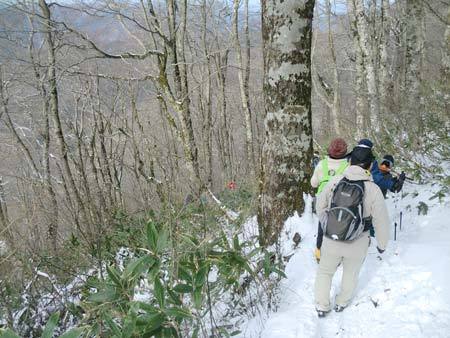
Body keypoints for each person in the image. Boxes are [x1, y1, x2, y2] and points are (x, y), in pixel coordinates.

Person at [314, 145, 390, 317]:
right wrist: (382, 244)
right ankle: (341, 302)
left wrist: (328, 223)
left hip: (331, 239)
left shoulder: (336, 181)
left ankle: (321, 305)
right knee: (351, 272)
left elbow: (320, 205)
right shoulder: (373, 189)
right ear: (370, 165)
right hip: (358, 240)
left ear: (350, 161)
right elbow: (381, 221)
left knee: (325, 272)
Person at [311, 138, 349, 262]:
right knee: (338, 225)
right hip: (339, 200)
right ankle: (336, 254)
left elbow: (314, 184)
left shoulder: (322, 164)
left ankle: (319, 251)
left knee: (322, 225)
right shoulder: (348, 166)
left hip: (321, 199)